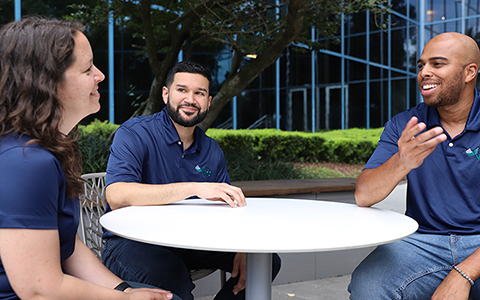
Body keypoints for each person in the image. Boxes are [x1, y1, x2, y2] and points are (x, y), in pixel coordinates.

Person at [0, 17, 178, 300]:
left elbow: (68, 246)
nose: (101, 75)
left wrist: (124, 289)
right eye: (87, 69)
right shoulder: (26, 163)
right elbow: (37, 289)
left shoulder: (47, 150)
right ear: (46, 83)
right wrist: (124, 299)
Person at [102, 60, 281, 300]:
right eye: (182, 90)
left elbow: (230, 209)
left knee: (264, 260)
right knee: (172, 276)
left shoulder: (211, 149)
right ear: (166, 94)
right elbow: (117, 197)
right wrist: (193, 188)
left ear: (208, 102)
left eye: (200, 93)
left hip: (191, 240)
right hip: (132, 241)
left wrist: (242, 246)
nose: (190, 99)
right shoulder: (135, 133)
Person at [348, 32, 480, 299]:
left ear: (470, 72)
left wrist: (463, 273)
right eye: (421, 65)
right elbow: (364, 195)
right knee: (368, 287)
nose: (424, 73)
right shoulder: (405, 124)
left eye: (437, 64)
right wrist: (402, 161)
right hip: (422, 241)